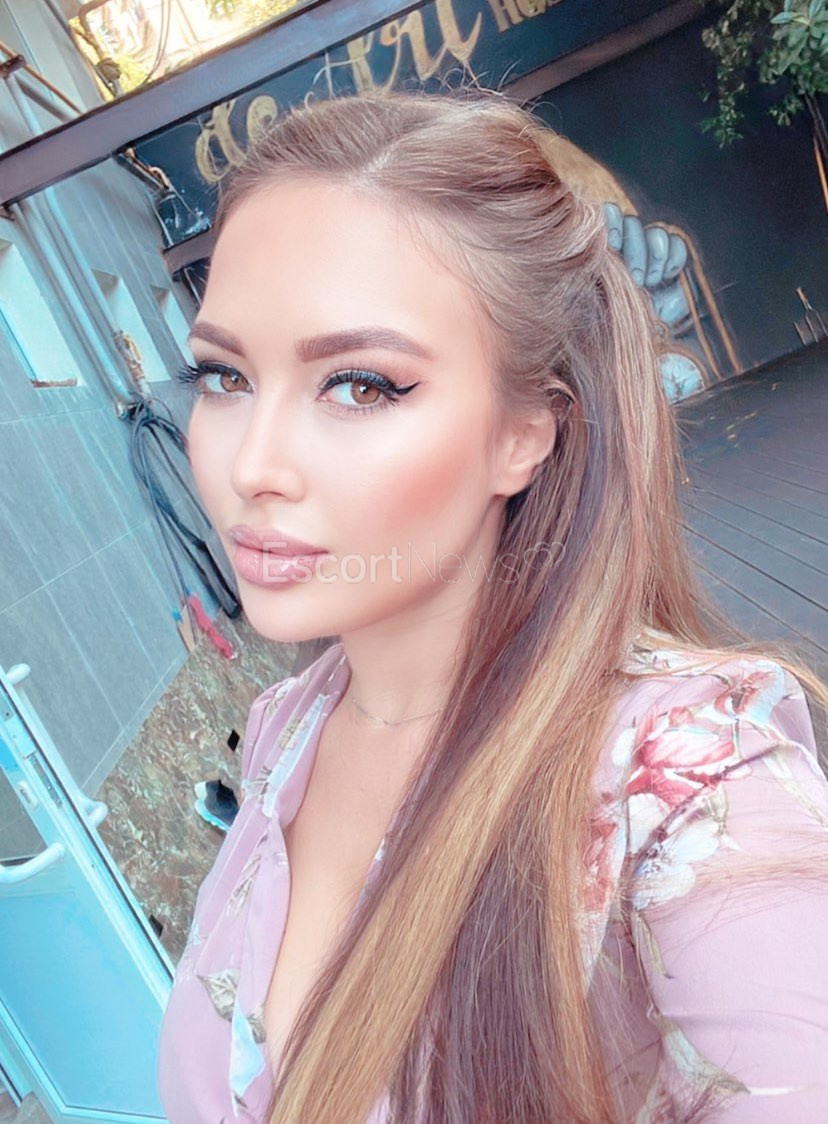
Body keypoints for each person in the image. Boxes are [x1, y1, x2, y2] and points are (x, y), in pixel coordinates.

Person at [156, 89, 828, 1123]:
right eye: (224, 375)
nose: (252, 464)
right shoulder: (286, 733)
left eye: (361, 385)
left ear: (525, 433)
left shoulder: (689, 781)